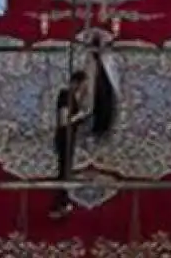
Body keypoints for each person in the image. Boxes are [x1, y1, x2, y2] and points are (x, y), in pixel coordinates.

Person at [51, 70, 89, 219]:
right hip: (64, 139)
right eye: (83, 85)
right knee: (63, 172)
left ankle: (62, 202)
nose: (84, 88)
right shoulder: (66, 96)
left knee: (65, 171)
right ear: (76, 83)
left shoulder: (72, 97)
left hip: (69, 138)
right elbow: (63, 121)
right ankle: (59, 204)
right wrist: (81, 115)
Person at [86, 34, 120, 140]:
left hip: (104, 88)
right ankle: (98, 127)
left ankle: (102, 128)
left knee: (104, 100)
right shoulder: (90, 58)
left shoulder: (108, 58)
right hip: (95, 89)